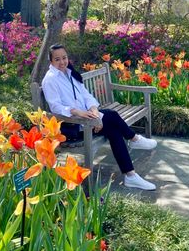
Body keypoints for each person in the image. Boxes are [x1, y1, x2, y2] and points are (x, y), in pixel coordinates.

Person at [42, 43, 157, 190]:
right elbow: (55, 107)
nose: (62, 62)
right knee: (112, 116)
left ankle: (131, 175)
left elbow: (86, 95)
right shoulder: (50, 79)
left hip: (87, 119)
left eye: (64, 58)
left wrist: (94, 112)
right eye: (57, 59)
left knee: (114, 130)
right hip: (72, 125)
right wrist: (78, 112)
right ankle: (133, 140)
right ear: (51, 61)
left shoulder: (70, 73)